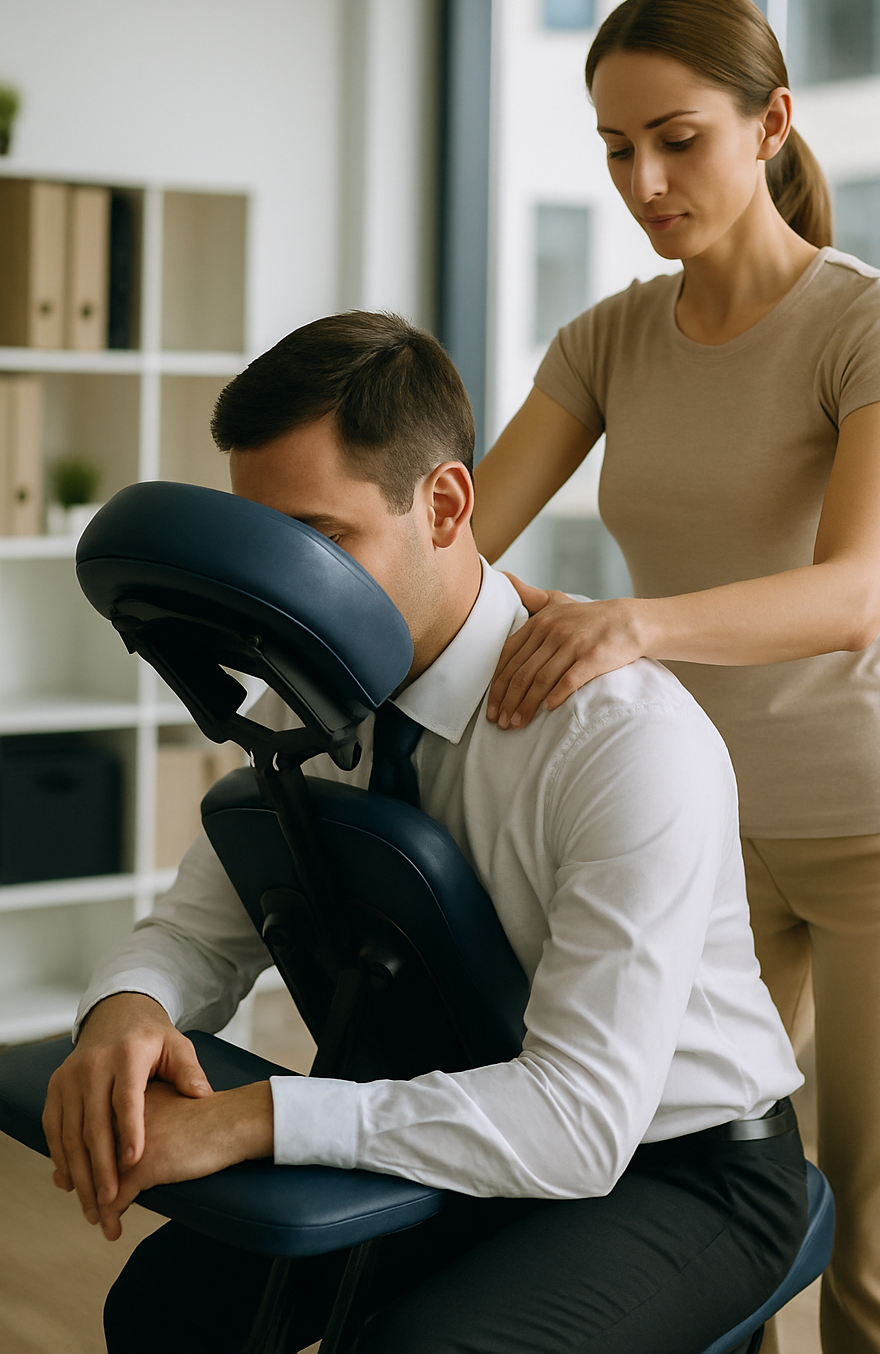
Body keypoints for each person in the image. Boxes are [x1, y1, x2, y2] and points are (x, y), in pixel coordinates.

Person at [44, 313, 807, 1354]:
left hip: (679, 1165)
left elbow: (580, 1123)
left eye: (319, 541)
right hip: (467, 1112)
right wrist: (124, 1012)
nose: (278, 589)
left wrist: (255, 1117)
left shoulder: (623, 740)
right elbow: (196, 929)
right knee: (165, 1311)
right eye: (262, 546)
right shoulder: (298, 715)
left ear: (445, 504)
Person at [470, 0, 880, 1354]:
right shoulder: (609, 341)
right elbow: (465, 540)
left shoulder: (875, 319)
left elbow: (857, 590)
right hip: (700, 831)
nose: (645, 178)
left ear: (771, 125)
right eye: (616, 148)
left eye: (677, 137)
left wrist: (631, 624)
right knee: (714, 1211)